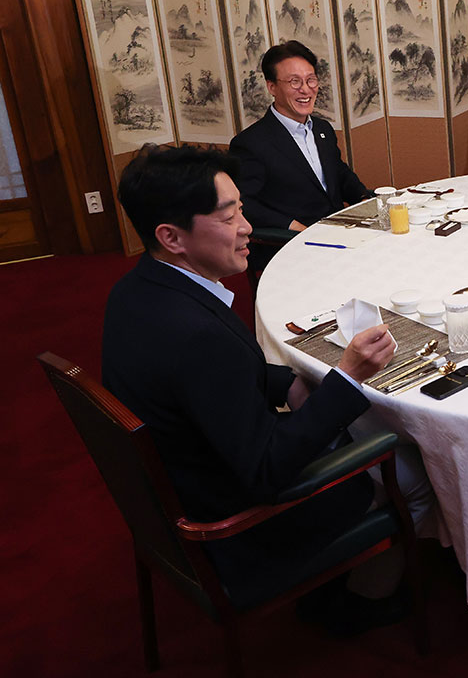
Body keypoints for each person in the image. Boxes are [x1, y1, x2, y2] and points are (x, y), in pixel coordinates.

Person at [102, 145, 405, 632]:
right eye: (228, 217)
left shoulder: (139, 290)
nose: (246, 228)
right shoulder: (194, 335)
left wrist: (287, 381)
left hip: (182, 482)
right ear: (171, 236)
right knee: (408, 467)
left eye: (242, 209)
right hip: (230, 524)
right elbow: (267, 470)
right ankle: (360, 603)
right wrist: (347, 378)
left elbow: (213, 378)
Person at [229, 40, 368, 233]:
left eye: (311, 79)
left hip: (339, 231)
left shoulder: (323, 129)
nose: (305, 89)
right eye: (294, 81)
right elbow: (245, 203)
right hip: (292, 242)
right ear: (272, 87)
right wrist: (294, 227)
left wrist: (366, 200)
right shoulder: (250, 143)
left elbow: (339, 174)